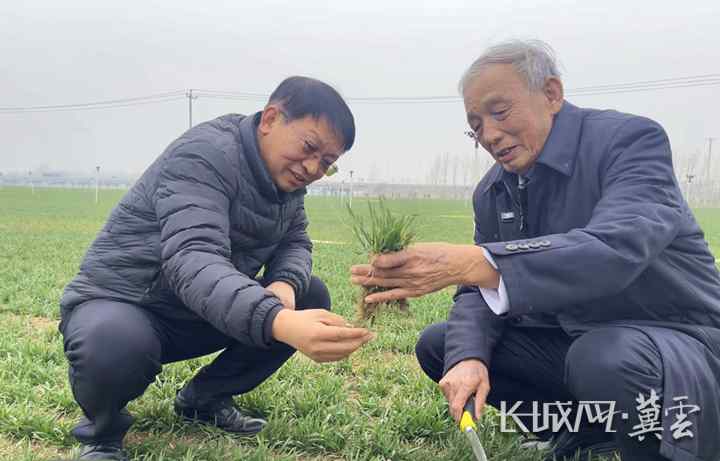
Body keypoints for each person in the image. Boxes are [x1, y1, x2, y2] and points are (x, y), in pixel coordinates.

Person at [351, 40, 720, 461]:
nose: (489, 135)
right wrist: (468, 355)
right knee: (444, 344)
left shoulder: (629, 142)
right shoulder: (493, 190)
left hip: (679, 341)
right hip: (580, 341)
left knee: (604, 356)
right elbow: (478, 289)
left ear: (551, 94)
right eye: (476, 125)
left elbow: (616, 247)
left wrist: (478, 261)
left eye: (500, 112)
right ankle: (589, 431)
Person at [60, 76, 374, 461]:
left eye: (327, 162)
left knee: (309, 294)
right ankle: (102, 433)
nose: (312, 167)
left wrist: (284, 285)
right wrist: (278, 320)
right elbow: (193, 258)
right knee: (113, 342)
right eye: (309, 147)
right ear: (270, 119)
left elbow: (295, 241)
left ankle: (203, 398)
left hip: (198, 309)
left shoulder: (287, 183)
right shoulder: (204, 155)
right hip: (130, 302)